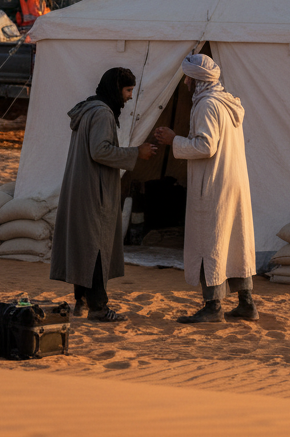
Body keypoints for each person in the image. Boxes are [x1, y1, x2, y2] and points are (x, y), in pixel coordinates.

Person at [154, 53, 258, 323]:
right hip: (232, 181)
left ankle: (213, 307)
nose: (186, 82)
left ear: (195, 79)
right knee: (235, 240)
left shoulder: (206, 105)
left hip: (214, 185)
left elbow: (205, 146)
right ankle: (246, 303)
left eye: (188, 77)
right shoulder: (227, 103)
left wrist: (173, 140)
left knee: (208, 242)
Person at [50, 67, 156, 322]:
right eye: (128, 90)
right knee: (96, 246)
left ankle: (81, 302)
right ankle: (98, 307)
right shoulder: (102, 113)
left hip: (82, 185)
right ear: (115, 89)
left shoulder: (89, 108)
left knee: (84, 244)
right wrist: (135, 153)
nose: (130, 97)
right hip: (93, 189)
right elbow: (100, 151)